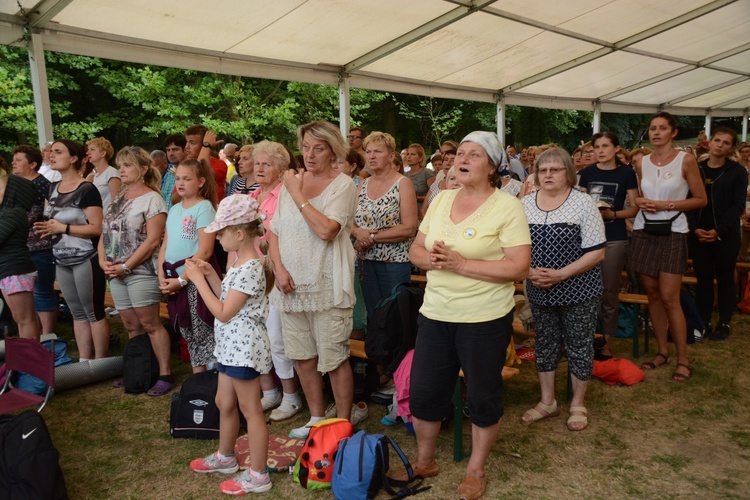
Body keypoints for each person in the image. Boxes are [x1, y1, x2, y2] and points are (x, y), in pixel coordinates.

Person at [402, 131, 530, 500]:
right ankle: (425, 460)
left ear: (491, 166)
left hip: (485, 318)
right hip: (436, 313)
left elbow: (519, 267)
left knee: (483, 395)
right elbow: (416, 250)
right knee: (424, 390)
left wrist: (459, 263)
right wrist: (435, 260)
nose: (462, 158)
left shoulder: (508, 207)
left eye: (474, 155)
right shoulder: (442, 199)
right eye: (460, 152)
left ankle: (476, 470)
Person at [268, 120, 359, 438]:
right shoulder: (292, 181)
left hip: (326, 285)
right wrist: (278, 268)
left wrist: (296, 193)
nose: (309, 154)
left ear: (333, 150)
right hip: (291, 286)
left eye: (318, 148)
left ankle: (342, 422)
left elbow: (327, 230)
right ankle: (316, 417)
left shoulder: (343, 185)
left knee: (333, 358)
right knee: (303, 356)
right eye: (305, 146)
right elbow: (274, 230)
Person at [187, 195, 274, 495]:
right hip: (229, 346)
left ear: (239, 233)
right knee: (224, 403)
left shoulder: (251, 266)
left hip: (244, 348)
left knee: (252, 411)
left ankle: (259, 475)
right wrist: (211, 277)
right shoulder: (239, 262)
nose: (217, 237)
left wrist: (197, 281)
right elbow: (228, 300)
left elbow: (223, 311)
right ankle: (226, 457)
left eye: (220, 232)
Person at [521, 147, 605, 432]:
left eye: (554, 169)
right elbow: (516, 246)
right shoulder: (525, 204)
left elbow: (597, 252)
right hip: (538, 288)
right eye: (542, 170)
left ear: (569, 173)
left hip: (579, 289)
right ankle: (547, 402)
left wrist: (561, 274)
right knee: (544, 345)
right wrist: (528, 271)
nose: (547, 175)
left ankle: (578, 403)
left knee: (579, 345)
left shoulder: (583, 204)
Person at [631, 112, 707, 381]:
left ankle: (683, 359)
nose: (656, 132)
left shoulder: (686, 160)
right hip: (644, 229)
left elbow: (700, 199)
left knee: (669, 297)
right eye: (653, 128)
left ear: (673, 132)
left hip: (674, 231)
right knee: (651, 292)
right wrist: (641, 203)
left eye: (663, 128)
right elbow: (639, 195)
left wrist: (668, 205)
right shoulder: (641, 163)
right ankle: (662, 352)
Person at [99, 147, 172, 396]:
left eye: (127, 165)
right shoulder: (118, 198)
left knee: (150, 323)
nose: (121, 169)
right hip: (114, 271)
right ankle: (137, 368)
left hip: (140, 271)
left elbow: (153, 241)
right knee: (131, 325)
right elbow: (104, 232)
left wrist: (127, 266)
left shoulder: (153, 200)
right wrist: (103, 262)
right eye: (119, 164)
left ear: (142, 170)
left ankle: (164, 374)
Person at [34, 139, 109, 360]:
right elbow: (51, 219)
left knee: (93, 312)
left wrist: (63, 227)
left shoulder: (86, 189)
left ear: (74, 158)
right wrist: (46, 228)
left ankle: (100, 362)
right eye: (51, 152)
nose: (51, 155)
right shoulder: (52, 188)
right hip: (60, 258)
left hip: (85, 257)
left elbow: (97, 227)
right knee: (77, 313)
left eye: (58, 152)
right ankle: (84, 360)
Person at [249, 141, 303, 422]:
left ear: (282, 169)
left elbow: (288, 237)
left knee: (278, 338)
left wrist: (279, 269)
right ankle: (269, 391)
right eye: (257, 163)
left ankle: (291, 397)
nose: (259, 168)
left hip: (275, 273)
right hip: (251, 275)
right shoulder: (253, 195)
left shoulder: (287, 195)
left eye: (266, 164)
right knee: (256, 336)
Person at [577, 132, 639, 359]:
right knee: (585, 289)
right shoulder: (586, 173)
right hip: (587, 238)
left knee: (609, 291)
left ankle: (606, 342)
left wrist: (612, 213)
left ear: (616, 149)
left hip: (614, 236)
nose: (600, 151)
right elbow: (580, 205)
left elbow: (634, 208)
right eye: (596, 147)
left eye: (605, 146)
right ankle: (585, 337)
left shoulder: (627, 173)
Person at [687, 127, 746, 341]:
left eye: (726, 143)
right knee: (703, 279)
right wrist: (694, 228)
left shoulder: (737, 171)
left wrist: (718, 230)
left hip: (726, 234)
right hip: (698, 233)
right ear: (709, 142)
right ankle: (703, 322)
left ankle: (724, 322)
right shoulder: (697, 169)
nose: (720, 145)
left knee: (724, 278)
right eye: (717, 140)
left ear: (731, 149)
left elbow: (738, 205)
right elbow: (689, 201)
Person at [352, 131, 418, 322]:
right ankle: (377, 352)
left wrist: (371, 238)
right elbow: (350, 220)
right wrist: (357, 232)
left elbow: (409, 228)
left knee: (395, 316)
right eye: (368, 151)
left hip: (394, 262)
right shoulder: (362, 184)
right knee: (374, 315)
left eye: (377, 152)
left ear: (391, 156)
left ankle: (398, 353)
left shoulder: (402, 183)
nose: (371, 156)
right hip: (366, 260)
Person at [159, 159, 218, 373]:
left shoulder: (204, 208)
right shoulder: (174, 209)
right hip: (173, 278)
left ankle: (213, 381)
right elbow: (164, 246)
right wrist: (162, 277)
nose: (180, 183)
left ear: (201, 181)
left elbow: (205, 251)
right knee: (188, 330)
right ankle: (198, 378)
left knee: (203, 327)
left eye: (187, 178)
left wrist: (182, 279)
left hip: (195, 279)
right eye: (178, 179)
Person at [11, 145, 57, 334]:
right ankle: (35, 335)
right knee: (29, 295)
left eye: (19, 159)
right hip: (22, 248)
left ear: (32, 164)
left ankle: (48, 339)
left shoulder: (42, 185)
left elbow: (32, 216)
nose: (13, 162)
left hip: (40, 247)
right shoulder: (18, 184)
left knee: (42, 292)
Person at [0, 173, 41, 340]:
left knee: (25, 319)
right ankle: (26, 359)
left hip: (16, 270)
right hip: (6, 270)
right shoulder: (5, 212)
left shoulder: (15, 213)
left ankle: (32, 361)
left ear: (12, 192)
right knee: (19, 319)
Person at [184, 124, 228, 200]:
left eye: (192, 143)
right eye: (187, 142)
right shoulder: (186, 165)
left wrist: (206, 145)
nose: (186, 147)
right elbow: (174, 199)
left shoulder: (219, 164)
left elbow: (201, 173)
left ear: (203, 144)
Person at [85, 137, 121, 214]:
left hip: (107, 222)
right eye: (88, 150)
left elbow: (116, 203)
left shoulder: (111, 173)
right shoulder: (96, 176)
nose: (87, 153)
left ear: (103, 153)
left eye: (92, 149)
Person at [404, 143, 435, 215]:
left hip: (423, 213)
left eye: (412, 154)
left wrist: (418, 198)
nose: (409, 157)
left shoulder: (427, 173)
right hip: (408, 213)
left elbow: (435, 195)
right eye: (408, 154)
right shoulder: (405, 175)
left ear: (420, 158)